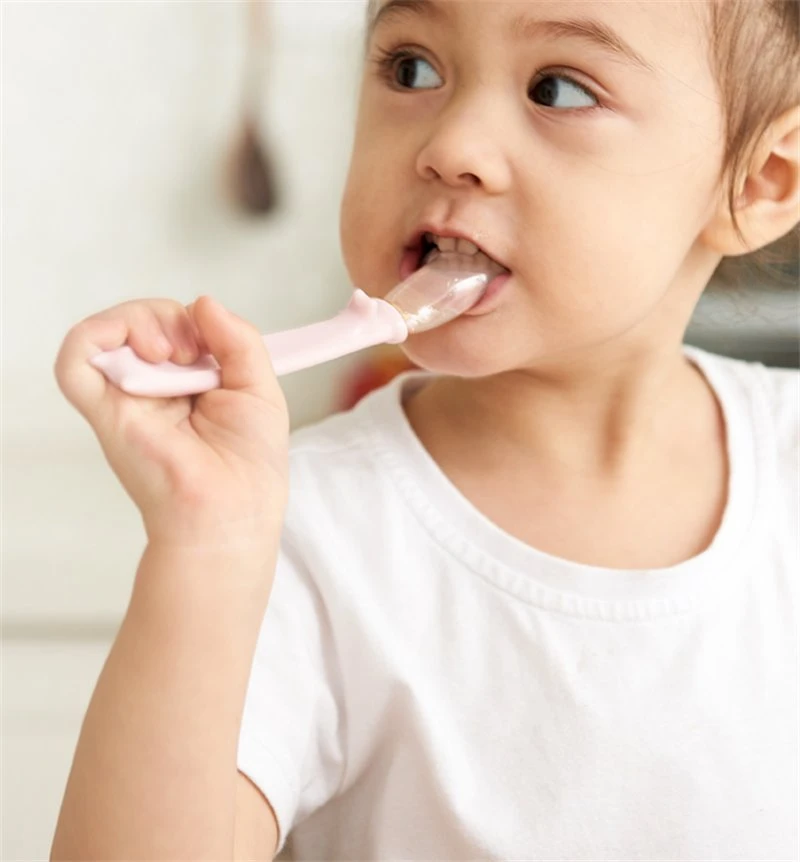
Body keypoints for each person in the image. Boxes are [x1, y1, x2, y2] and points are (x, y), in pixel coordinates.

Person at [51, 0, 799, 858]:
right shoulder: (295, 538)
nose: (450, 146)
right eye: (411, 68)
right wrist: (207, 548)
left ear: (760, 181)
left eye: (557, 88)